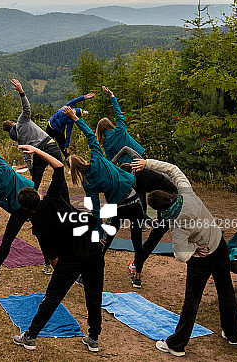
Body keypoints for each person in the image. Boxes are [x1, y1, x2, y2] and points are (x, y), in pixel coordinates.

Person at [12, 155, 103, 353]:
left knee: (52, 297)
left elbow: (53, 259)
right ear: (38, 196)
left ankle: (31, 336)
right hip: (94, 251)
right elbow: (59, 166)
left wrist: (62, 274)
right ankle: (94, 338)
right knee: (94, 296)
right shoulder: (53, 198)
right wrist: (36, 149)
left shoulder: (39, 228)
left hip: (71, 258)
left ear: (26, 209)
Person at [147, 188, 237, 356]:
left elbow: (181, 255)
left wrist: (193, 248)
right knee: (226, 290)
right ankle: (232, 333)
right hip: (218, 246)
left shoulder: (177, 225)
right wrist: (148, 164)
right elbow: (174, 170)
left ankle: (177, 345)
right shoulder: (188, 194)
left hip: (201, 258)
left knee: (192, 301)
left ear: (161, 211)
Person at [0, 123, 58, 279]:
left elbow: (4, 204)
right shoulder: (2, 166)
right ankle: (49, 265)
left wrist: (17, 211)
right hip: (32, 196)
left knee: (8, 240)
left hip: (19, 208)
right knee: (42, 234)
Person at [64, 106, 147, 260]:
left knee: (105, 240)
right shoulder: (97, 157)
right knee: (137, 239)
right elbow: (90, 135)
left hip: (119, 205)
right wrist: (75, 118)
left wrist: (98, 231)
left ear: (75, 172)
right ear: (82, 160)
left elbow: (95, 211)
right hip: (133, 196)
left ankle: (94, 263)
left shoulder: (88, 184)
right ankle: (138, 275)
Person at [115, 150, 178, 288]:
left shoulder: (138, 174)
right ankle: (137, 264)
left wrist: (111, 162)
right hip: (167, 197)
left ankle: (137, 265)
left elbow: (125, 148)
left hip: (170, 199)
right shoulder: (138, 177)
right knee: (155, 234)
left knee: (155, 235)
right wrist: (150, 220)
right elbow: (141, 207)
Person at [2, 79, 64, 190]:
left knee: (35, 182)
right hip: (49, 145)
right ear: (12, 123)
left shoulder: (18, 139)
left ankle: (31, 203)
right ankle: (63, 200)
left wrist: (31, 169)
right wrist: (21, 92)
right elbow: (27, 107)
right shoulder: (21, 121)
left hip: (37, 152)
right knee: (60, 173)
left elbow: (26, 155)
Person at [95, 86, 145, 165]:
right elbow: (119, 114)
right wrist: (112, 96)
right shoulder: (120, 129)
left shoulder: (106, 143)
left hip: (126, 165)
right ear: (110, 124)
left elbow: (110, 160)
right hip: (139, 155)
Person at [46, 92, 94, 157]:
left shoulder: (71, 121)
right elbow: (75, 100)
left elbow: (68, 133)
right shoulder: (68, 106)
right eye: (74, 110)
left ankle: (69, 163)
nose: (72, 111)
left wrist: (67, 146)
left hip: (58, 131)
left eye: (74, 112)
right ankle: (41, 159)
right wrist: (84, 97)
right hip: (51, 125)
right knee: (45, 144)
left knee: (64, 149)